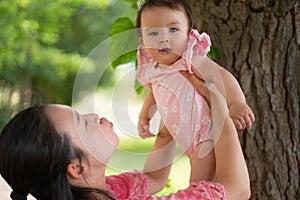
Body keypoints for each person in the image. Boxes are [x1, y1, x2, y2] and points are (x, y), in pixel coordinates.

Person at [0, 71, 251, 199]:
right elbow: (237, 191)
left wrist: (170, 115)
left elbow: (154, 178)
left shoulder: (103, 190)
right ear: (76, 168)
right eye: (83, 123)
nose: (94, 116)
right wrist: (219, 107)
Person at [135, 0, 255, 182]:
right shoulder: (152, 70)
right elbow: (154, 93)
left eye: (173, 30)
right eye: (153, 33)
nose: (163, 38)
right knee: (201, 184)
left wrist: (236, 103)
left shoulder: (190, 61)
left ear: (188, 34)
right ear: (142, 41)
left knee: (199, 186)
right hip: (184, 136)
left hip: (205, 136)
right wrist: (144, 116)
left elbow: (220, 76)